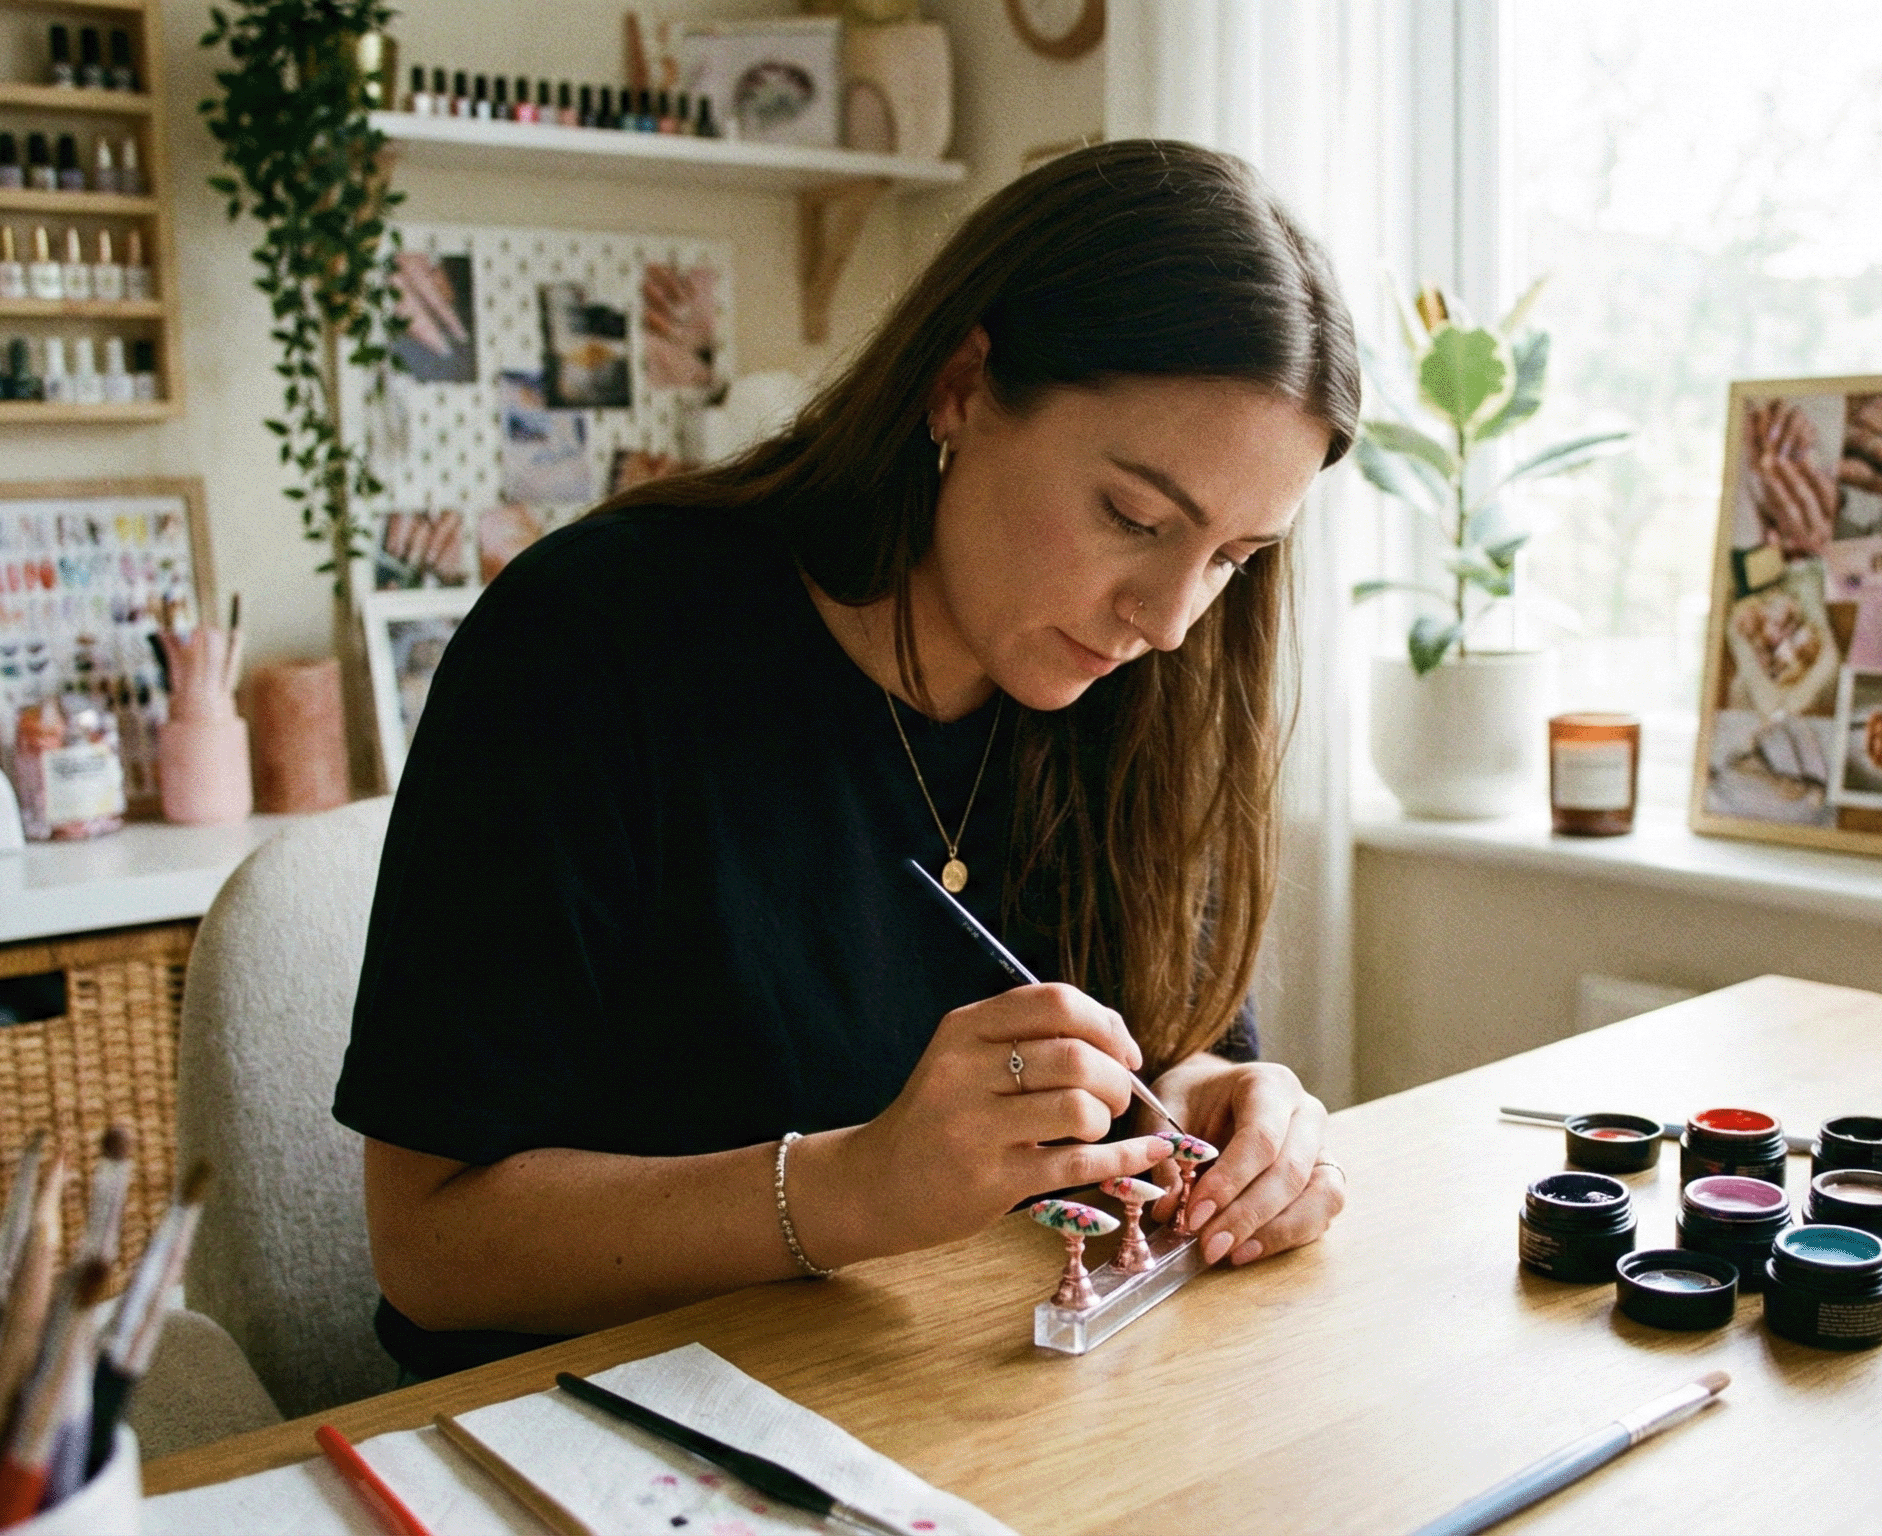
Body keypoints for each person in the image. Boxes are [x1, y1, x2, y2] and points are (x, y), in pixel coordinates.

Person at [335, 140, 1360, 1379]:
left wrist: (1217, 1113)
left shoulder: (1150, 679)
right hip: (594, 1422)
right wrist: (850, 1189)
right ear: (962, 386)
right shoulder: (591, 643)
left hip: (950, 1401)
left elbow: (1165, 1046)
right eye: (1133, 520)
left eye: (1234, 558)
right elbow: (431, 1250)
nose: (1171, 618)